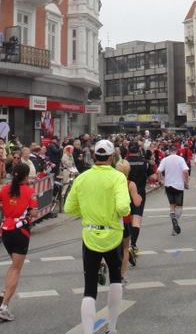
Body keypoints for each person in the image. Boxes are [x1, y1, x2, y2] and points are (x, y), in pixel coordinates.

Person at [64, 140, 130, 334]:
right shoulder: (118, 177)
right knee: (116, 279)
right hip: (113, 234)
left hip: (90, 233)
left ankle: (87, 331)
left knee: (89, 287)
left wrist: (88, 212)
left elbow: (69, 207)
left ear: (94, 157)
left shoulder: (83, 177)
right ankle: (112, 327)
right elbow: (124, 208)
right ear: (111, 157)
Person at [0, 162, 38, 322]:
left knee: (13, 265)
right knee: (16, 268)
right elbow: (35, 213)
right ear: (25, 176)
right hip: (21, 231)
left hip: (6, 230)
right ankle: (4, 306)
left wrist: (4, 210)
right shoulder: (30, 192)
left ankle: (5, 292)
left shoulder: (5, 189)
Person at [114, 159, 142, 284]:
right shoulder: (130, 184)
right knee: (125, 248)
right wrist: (139, 198)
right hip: (125, 218)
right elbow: (136, 202)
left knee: (109, 246)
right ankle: (121, 276)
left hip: (112, 219)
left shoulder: (111, 182)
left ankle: (103, 263)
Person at [125, 141, 154, 255]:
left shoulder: (125, 163)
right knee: (136, 219)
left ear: (128, 149)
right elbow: (153, 176)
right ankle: (133, 245)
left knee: (126, 219)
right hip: (139, 194)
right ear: (138, 150)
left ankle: (125, 244)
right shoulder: (144, 163)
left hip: (125, 194)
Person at [156, 145, 189, 235]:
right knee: (179, 207)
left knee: (172, 206)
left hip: (168, 185)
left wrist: (160, 181)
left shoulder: (165, 160)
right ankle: (175, 219)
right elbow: (185, 171)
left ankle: (174, 228)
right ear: (177, 151)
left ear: (169, 151)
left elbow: (158, 171)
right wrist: (186, 181)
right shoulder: (180, 159)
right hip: (179, 185)